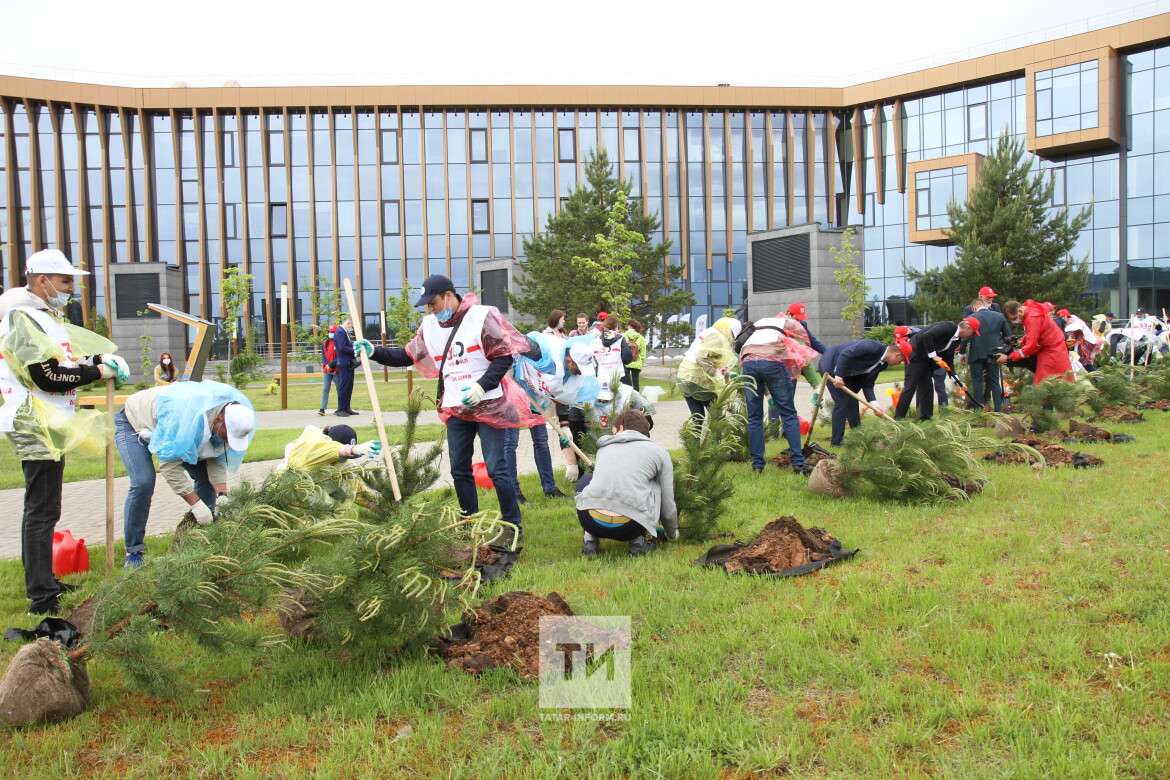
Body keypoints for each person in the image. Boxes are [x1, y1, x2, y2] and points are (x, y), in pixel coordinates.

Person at [354, 274, 541, 541]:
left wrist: (480, 387)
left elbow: (503, 357)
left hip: (490, 404)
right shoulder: (429, 326)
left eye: (434, 304)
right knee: (459, 469)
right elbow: (407, 355)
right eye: (427, 306)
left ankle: (512, 526)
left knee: (497, 468)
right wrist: (374, 352)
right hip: (456, 409)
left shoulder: (481, 317)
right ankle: (468, 523)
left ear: (450, 295)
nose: (430, 310)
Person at [0, 249, 130, 614]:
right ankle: (41, 597)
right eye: (66, 281)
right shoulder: (23, 318)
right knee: (41, 510)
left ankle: (44, 580)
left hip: (49, 421)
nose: (72, 288)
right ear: (42, 281)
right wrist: (97, 374)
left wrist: (96, 362)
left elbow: (63, 364)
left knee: (46, 507)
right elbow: (48, 377)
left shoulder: (46, 318)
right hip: (34, 421)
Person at [114, 380, 256, 568]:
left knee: (206, 481)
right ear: (218, 421)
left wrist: (222, 495)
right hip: (134, 421)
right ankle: (134, 552)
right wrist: (197, 505)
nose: (228, 440)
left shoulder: (231, 416)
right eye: (227, 436)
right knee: (143, 481)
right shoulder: (185, 420)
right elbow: (169, 466)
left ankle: (198, 540)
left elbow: (216, 456)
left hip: (172, 426)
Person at [575, 410, 677, 558]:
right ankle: (637, 542)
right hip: (630, 527)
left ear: (621, 428)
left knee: (586, 480)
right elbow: (668, 500)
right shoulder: (660, 453)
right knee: (653, 485)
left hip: (590, 521)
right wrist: (672, 533)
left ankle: (589, 539)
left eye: (613, 430)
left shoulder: (604, 448)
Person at [512, 332, 603, 491]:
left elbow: (561, 394)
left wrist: (564, 425)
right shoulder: (539, 350)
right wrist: (506, 372)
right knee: (510, 442)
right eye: (578, 368)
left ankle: (550, 489)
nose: (580, 372)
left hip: (537, 397)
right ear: (569, 361)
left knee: (541, 440)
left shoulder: (571, 370)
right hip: (514, 387)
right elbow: (509, 342)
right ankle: (514, 491)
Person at [738, 312, 819, 475]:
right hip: (772, 362)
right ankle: (798, 464)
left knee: (754, 416)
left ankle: (757, 465)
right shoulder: (788, 325)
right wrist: (816, 387)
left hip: (747, 362)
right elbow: (802, 357)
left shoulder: (760, 323)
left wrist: (768, 395)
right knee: (788, 414)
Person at [818, 339, 906, 446]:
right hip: (831, 364)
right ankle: (836, 442)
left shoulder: (882, 364)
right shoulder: (871, 346)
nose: (899, 363)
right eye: (902, 360)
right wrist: (838, 376)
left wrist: (875, 406)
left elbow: (868, 384)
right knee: (842, 402)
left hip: (848, 372)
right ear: (897, 355)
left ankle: (858, 436)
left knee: (852, 400)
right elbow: (845, 353)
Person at [894, 318, 978, 421]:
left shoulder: (956, 340)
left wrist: (956, 380)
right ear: (968, 328)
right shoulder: (948, 326)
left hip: (926, 359)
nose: (972, 335)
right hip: (915, 354)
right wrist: (934, 356)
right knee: (910, 386)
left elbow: (948, 360)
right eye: (973, 332)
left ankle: (926, 418)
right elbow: (927, 335)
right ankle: (898, 418)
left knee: (927, 388)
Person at [677, 317, 741, 422]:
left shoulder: (709, 331)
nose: (732, 339)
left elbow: (712, 360)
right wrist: (713, 373)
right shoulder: (718, 337)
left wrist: (728, 373)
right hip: (698, 380)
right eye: (733, 335)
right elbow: (700, 357)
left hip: (684, 377)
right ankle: (718, 439)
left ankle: (696, 439)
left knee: (697, 419)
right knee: (717, 417)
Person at [996, 300, 1072, 384]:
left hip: (1051, 352)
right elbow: (1034, 333)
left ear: (1020, 310)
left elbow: (1031, 346)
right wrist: (1022, 341)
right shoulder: (1031, 313)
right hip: (1052, 350)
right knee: (1049, 383)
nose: (1015, 321)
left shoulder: (1032, 318)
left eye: (1014, 318)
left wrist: (1009, 358)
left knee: (1044, 384)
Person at [962, 299, 1013, 411]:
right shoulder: (999, 316)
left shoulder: (971, 318)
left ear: (974, 308)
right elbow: (1008, 336)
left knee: (977, 381)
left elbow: (964, 337)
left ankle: (978, 410)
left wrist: (962, 353)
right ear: (985, 305)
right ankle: (998, 410)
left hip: (976, 352)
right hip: (994, 352)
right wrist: (1007, 353)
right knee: (994, 381)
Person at [332, 318, 358, 416]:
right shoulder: (340, 332)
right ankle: (341, 409)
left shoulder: (343, 332)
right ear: (348, 323)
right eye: (351, 326)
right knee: (344, 386)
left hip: (348, 363)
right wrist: (354, 350)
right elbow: (342, 347)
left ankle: (347, 407)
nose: (351, 328)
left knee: (349, 386)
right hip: (344, 363)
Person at [319, 325, 339, 416]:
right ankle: (322, 408)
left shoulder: (339, 343)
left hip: (337, 370)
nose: (330, 334)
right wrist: (327, 366)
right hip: (327, 370)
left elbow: (339, 358)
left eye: (332, 332)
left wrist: (332, 365)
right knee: (325, 388)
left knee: (339, 389)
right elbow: (323, 356)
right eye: (329, 332)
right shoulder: (325, 343)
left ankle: (340, 407)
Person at [623, 318, 647, 391]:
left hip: (626, 362)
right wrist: (641, 364)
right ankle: (636, 399)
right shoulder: (641, 338)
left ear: (629, 326)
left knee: (626, 383)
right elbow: (643, 352)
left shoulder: (624, 336)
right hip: (637, 362)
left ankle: (626, 398)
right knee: (635, 382)